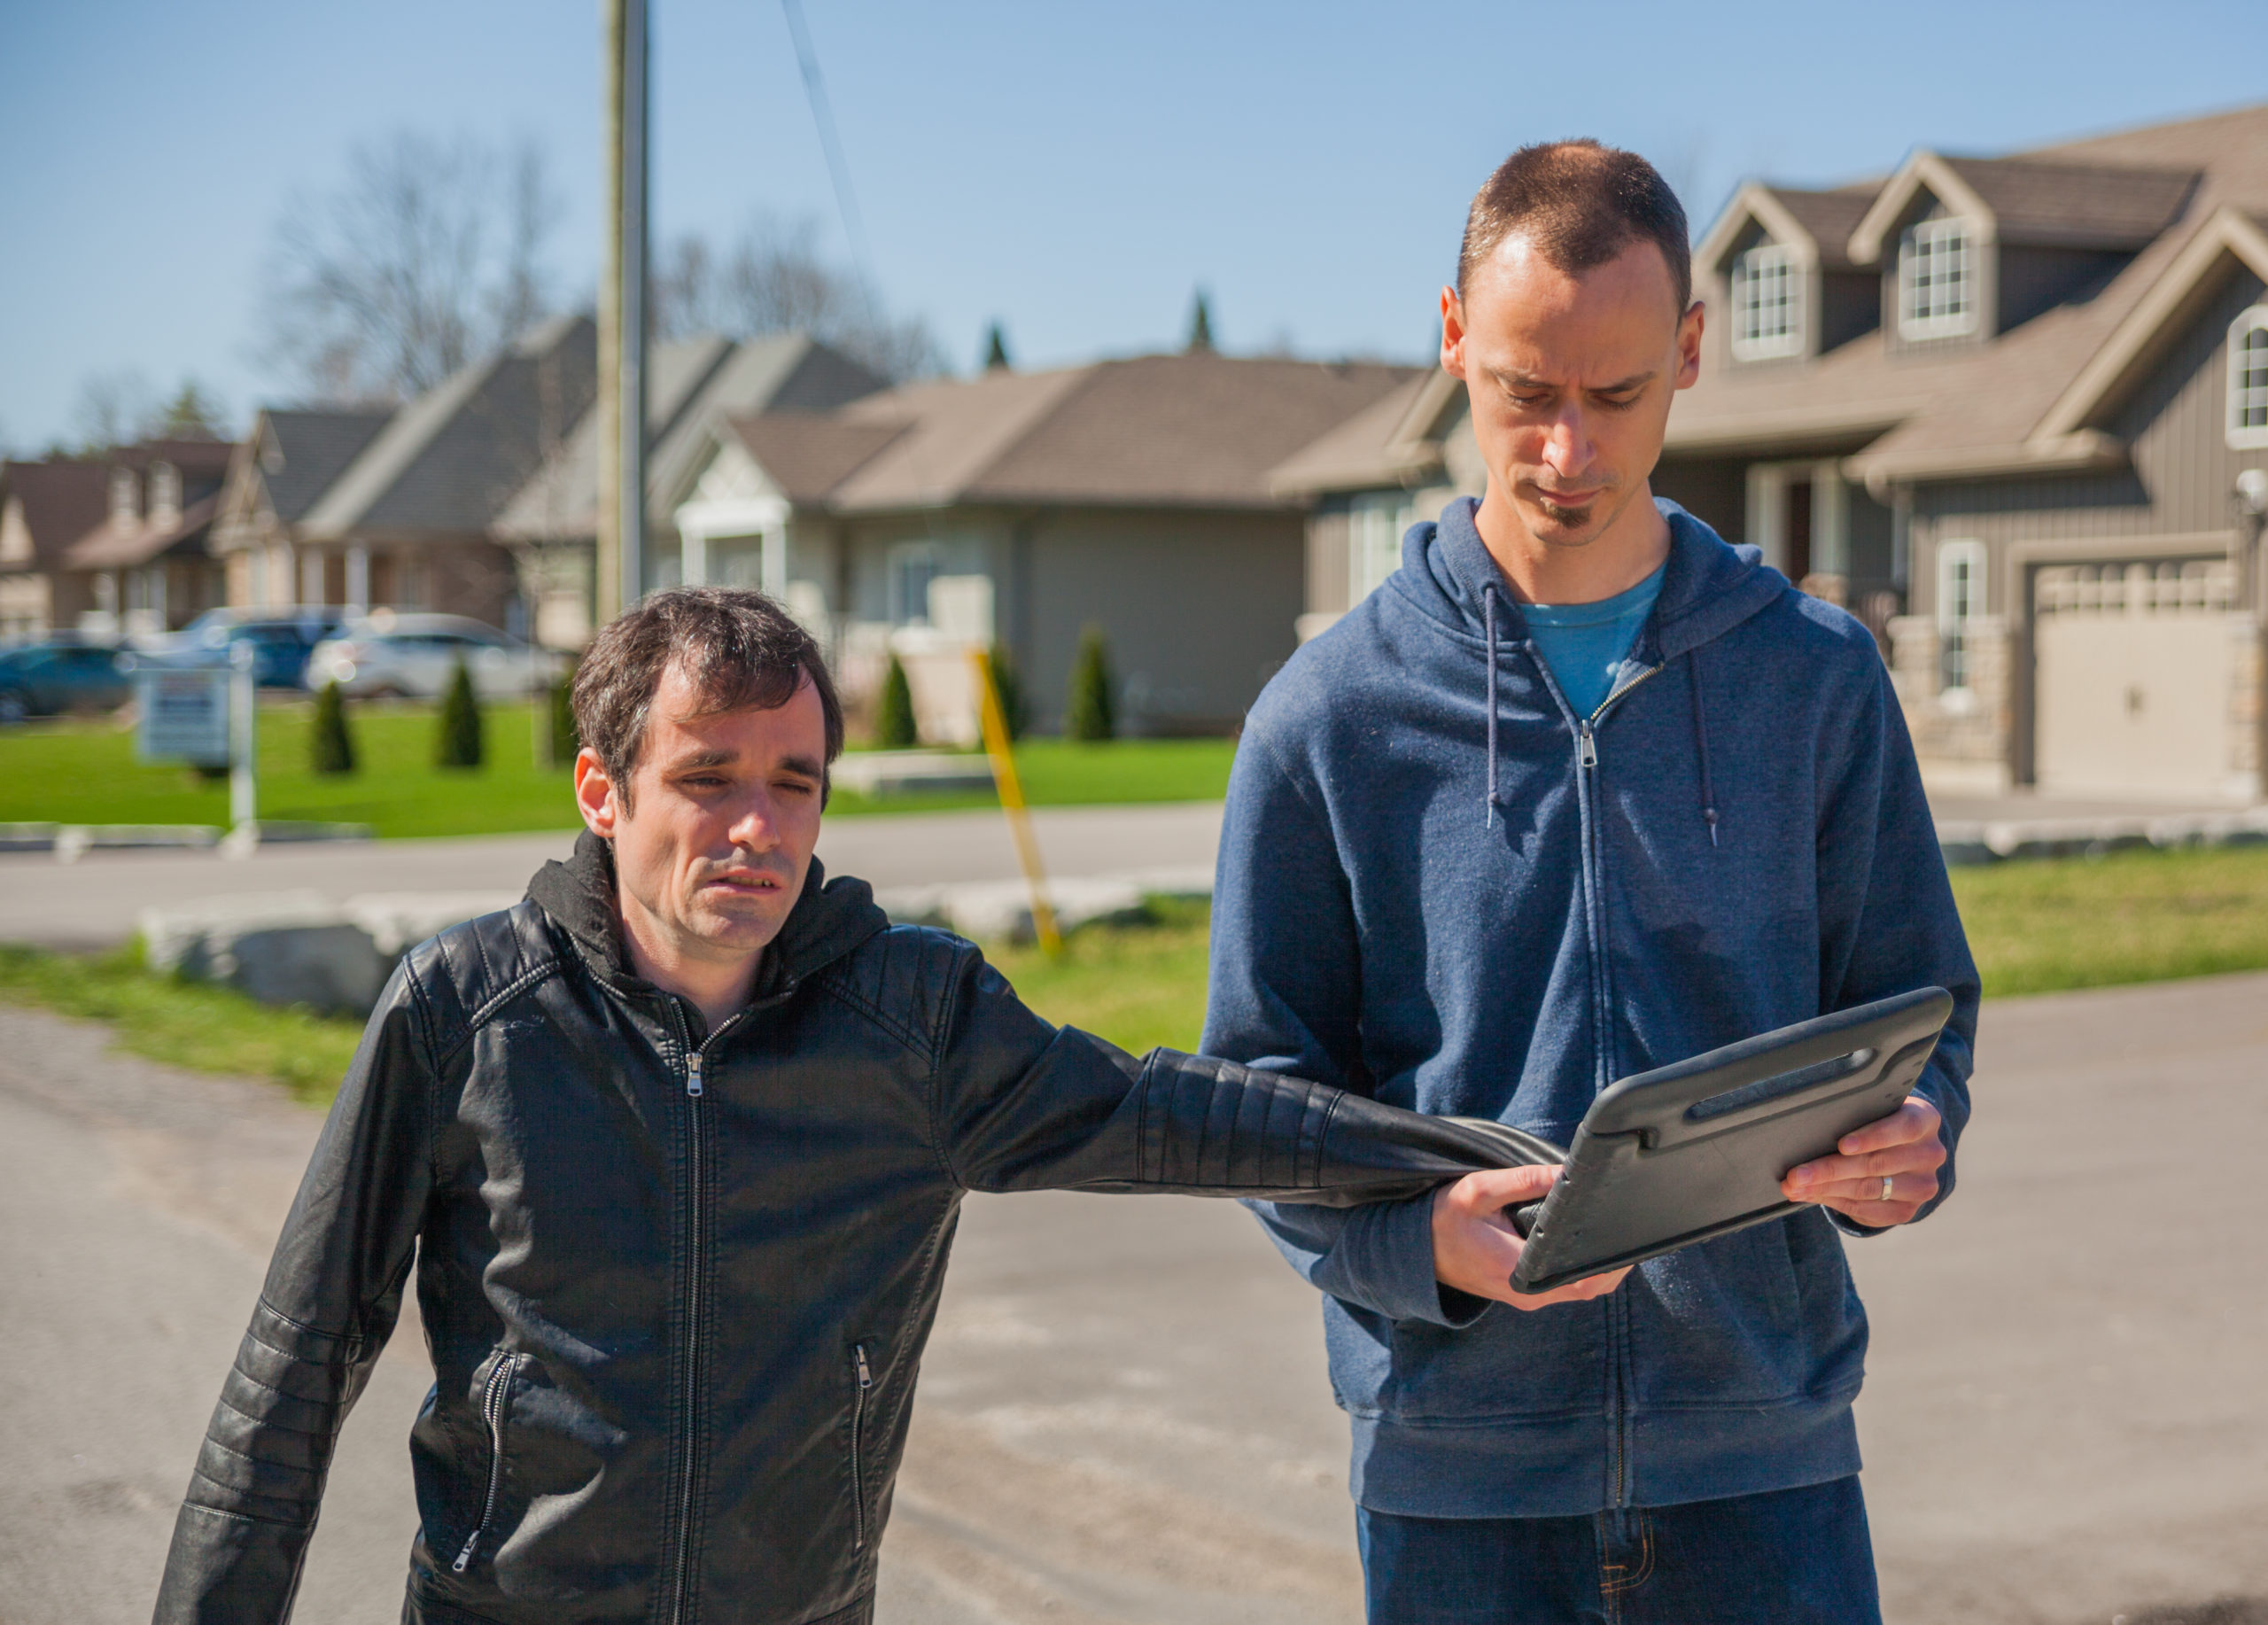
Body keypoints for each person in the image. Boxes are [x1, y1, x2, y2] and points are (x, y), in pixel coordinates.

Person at [151, 589, 1536, 1625]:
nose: (757, 826)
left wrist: (1462, 1164)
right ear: (601, 789)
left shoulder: (911, 1019)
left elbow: (1171, 1115)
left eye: (793, 783)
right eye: (707, 779)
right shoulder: (465, 1013)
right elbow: (296, 1361)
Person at [1202, 140, 1979, 1624]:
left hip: (1767, 1473)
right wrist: (1409, 1243)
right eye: (1523, 393)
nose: (1567, 450)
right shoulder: (1328, 715)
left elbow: (1918, 1006)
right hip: (1458, 1483)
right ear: (1451, 340)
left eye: (1616, 395)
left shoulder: (1814, 681)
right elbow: (1261, 1099)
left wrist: (1918, 1134)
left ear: (1691, 349)